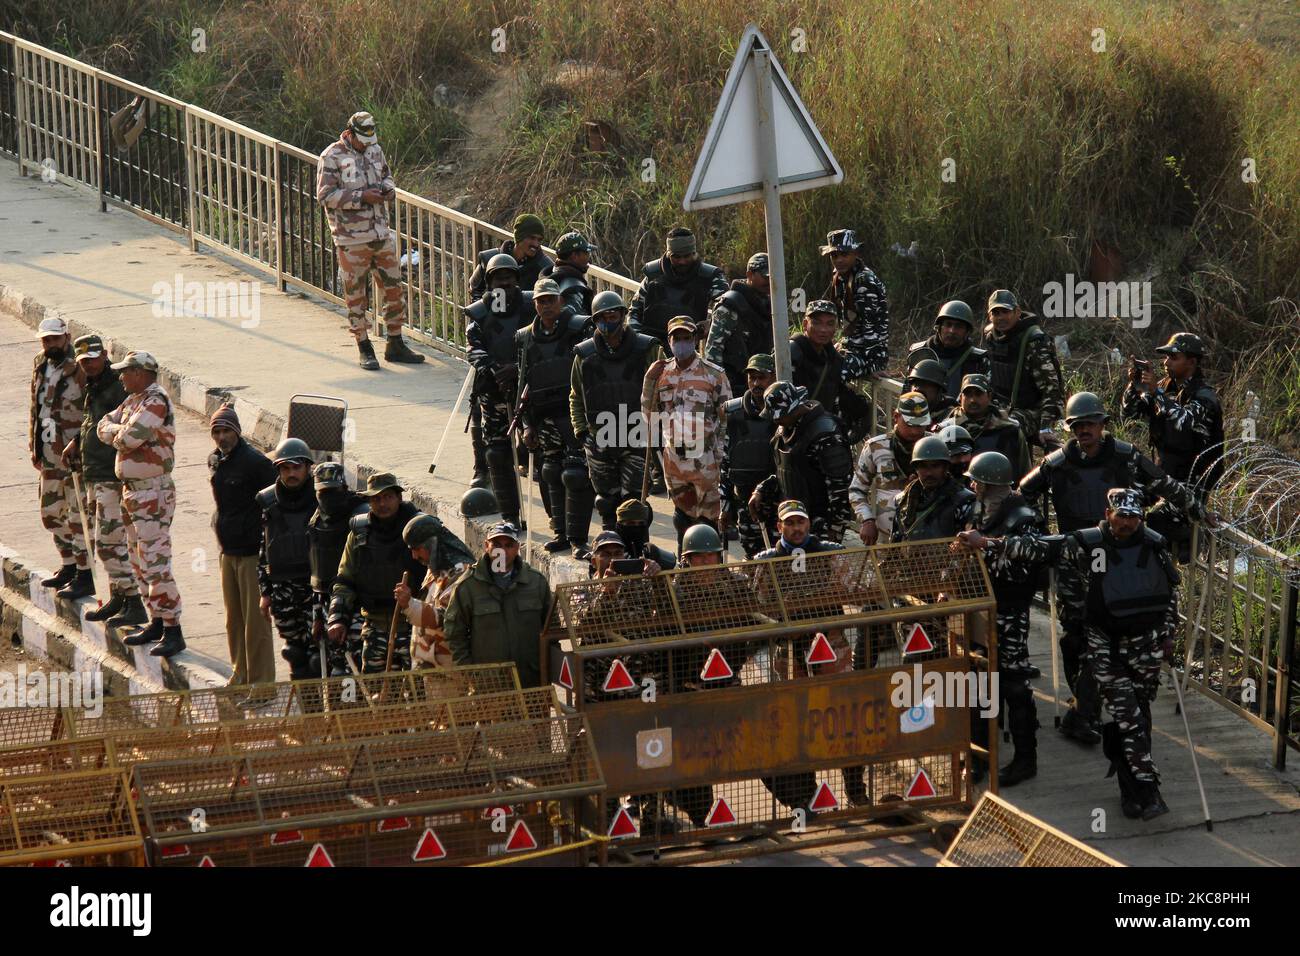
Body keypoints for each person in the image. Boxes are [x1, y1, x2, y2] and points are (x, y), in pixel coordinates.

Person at [1019, 390, 1204, 745]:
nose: (1084, 430)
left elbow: (1166, 485)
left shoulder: (1126, 457)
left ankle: (1084, 711)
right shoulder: (1056, 464)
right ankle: (1083, 706)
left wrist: (1199, 510)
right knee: (1076, 634)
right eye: (1077, 425)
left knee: (1106, 634)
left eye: (1090, 423)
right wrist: (1036, 533)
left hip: (1120, 556)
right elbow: (1021, 496)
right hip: (1077, 558)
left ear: (1103, 424)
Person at [1006, 489, 1178, 820]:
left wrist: (1169, 633)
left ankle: (1130, 790)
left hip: (1146, 646)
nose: (1126, 523)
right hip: (1106, 646)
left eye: (1132, 516)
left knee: (1137, 717)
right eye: (1121, 515)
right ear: (1108, 513)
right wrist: (989, 544)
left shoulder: (1154, 545)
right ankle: (1148, 790)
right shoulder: (1087, 543)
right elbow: (1040, 547)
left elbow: (1170, 593)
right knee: (1128, 718)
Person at [755, 501, 863, 806]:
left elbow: (855, 586)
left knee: (845, 716)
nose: (796, 528)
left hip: (831, 645)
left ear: (809, 524)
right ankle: (806, 797)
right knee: (795, 721)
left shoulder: (828, 552)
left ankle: (856, 790)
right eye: (789, 523)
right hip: (790, 650)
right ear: (779, 527)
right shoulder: (766, 561)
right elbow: (756, 603)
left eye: (801, 522)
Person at [952, 452, 1049, 785]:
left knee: (1012, 684)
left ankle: (1026, 759)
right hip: (978, 606)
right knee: (976, 682)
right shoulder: (977, 510)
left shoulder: (1023, 517)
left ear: (989, 483)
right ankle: (979, 757)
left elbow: (1030, 558)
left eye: (976, 481)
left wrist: (987, 545)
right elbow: (968, 545)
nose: (972, 486)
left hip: (1008, 610)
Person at [315, 110, 425, 369]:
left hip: (380, 233)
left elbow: (387, 174)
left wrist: (388, 189)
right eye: (362, 141)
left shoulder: (375, 150)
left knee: (394, 290)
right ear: (350, 134)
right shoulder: (331, 156)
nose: (366, 145)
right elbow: (325, 195)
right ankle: (364, 346)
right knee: (356, 296)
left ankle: (395, 342)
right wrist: (361, 198)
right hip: (351, 240)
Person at [95, 351, 186, 657]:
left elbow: (127, 439)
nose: (121, 377)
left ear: (141, 373)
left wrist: (117, 433)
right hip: (133, 492)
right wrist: (117, 431)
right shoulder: (135, 400)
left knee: (155, 562)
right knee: (138, 559)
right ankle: (156, 619)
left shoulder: (155, 401)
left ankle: (173, 628)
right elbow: (102, 425)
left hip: (152, 494)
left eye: (126, 372)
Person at [1120, 332, 1224, 561]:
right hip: (1162, 475)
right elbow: (1129, 413)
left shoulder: (1205, 397)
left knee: (1157, 519)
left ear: (1192, 362)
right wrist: (1134, 386)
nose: (1166, 363)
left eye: (1173, 357)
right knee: (1124, 502)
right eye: (1165, 357)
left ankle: (1182, 547)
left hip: (1192, 483)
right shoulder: (1165, 389)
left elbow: (1183, 423)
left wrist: (1156, 394)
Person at [63, 334, 144, 626]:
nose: (90, 365)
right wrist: (76, 442)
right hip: (92, 474)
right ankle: (119, 597)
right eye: (84, 361)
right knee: (102, 541)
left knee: (110, 542)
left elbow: (123, 427)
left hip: (111, 476)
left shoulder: (115, 386)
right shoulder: (93, 386)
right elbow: (92, 421)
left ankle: (133, 601)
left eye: (94, 359)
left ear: (104, 355)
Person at [570, 290, 659, 542]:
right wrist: (582, 432)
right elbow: (576, 395)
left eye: (613, 315)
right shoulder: (584, 355)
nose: (608, 321)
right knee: (607, 502)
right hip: (600, 437)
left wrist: (658, 432)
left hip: (637, 435)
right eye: (602, 317)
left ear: (622, 315)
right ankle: (610, 547)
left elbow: (662, 393)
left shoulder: (647, 349)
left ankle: (638, 547)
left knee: (635, 501)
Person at [516, 277, 593, 554]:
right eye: (541, 301)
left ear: (560, 301)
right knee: (550, 472)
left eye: (551, 299)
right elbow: (522, 383)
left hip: (573, 414)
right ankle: (560, 531)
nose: (546, 305)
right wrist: (526, 425)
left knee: (575, 474)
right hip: (544, 416)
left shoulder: (578, 329)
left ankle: (578, 539)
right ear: (534, 304)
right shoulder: (525, 338)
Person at [642, 316, 732, 550]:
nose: (681, 343)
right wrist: (649, 380)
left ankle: (709, 570)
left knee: (707, 521)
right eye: (676, 338)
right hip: (674, 459)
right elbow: (650, 415)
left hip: (705, 458)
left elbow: (727, 420)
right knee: (682, 517)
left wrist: (721, 456)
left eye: (686, 338)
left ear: (694, 339)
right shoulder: (662, 373)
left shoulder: (714, 374)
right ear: (669, 340)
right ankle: (684, 567)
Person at [327, 473, 428, 672]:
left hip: (414, 628)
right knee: (378, 695)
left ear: (399, 498)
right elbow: (344, 580)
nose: (382, 504)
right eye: (376, 499)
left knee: (418, 694)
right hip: (375, 628)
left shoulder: (420, 529)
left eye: (388, 497)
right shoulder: (359, 534)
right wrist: (337, 618)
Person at [207, 404, 277, 683]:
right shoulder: (215, 460)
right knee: (233, 621)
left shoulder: (255, 463)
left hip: (251, 553)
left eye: (226, 431)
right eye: (217, 432)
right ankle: (240, 674)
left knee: (255, 624)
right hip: (227, 551)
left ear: (237, 432)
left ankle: (262, 685)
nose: (222, 437)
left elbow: (273, 505)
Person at [465, 253, 536, 525]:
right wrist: (496, 370)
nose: (504, 284)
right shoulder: (479, 313)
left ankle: (561, 528)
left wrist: (517, 370)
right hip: (493, 390)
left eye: (508, 278)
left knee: (544, 456)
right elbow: (474, 349)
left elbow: (541, 341)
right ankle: (509, 516)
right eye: (498, 278)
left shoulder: (531, 306)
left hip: (529, 390)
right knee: (496, 452)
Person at [443, 521, 552, 687]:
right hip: (489, 686)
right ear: (486, 546)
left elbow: (551, 629)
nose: (502, 551)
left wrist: (547, 670)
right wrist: (470, 674)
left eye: (508, 545)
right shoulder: (468, 586)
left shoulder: (536, 582)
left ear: (517, 548)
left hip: (531, 682)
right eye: (496, 544)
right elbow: (454, 634)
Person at [29, 316, 90, 600]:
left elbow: (93, 410)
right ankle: (67, 565)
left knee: (77, 516)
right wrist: (35, 447)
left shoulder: (80, 368)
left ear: (66, 337)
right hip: (48, 449)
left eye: (55, 339)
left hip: (73, 453)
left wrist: (79, 442)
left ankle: (84, 573)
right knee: (50, 513)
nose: (50, 344)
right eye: (46, 340)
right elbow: (36, 407)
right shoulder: (41, 363)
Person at [749, 382, 854, 544]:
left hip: (820, 521)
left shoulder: (825, 434)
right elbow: (787, 471)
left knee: (817, 568)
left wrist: (836, 527)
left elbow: (840, 485)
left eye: (779, 417)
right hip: (791, 515)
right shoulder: (786, 428)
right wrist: (760, 490)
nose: (777, 421)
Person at [255, 438, 318, 681]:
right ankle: (308, 715)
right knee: (294, 654)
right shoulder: (269, 502)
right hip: (283, 590)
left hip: (313, 590)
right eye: (285, 468)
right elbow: (264, 549)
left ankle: (327, 715)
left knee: (318, 656)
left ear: (307, 468)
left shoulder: (321, 499)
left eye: (296, 467)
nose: (291, 473)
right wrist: (265, 592)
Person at [307, 462, 368, 675]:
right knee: (334, 670)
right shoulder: (316, 521)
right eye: (323, 492)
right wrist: (317, 618)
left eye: (332, 491)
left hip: (358, 605)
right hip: (327, 608)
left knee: (360, 668)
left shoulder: (361, 519)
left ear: (343, 488)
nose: (328, 498)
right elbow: (318, 579)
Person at [983, 289, 1064, 449]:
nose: (1000, 317)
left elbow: (1052, 388)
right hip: (1001, 407)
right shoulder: (990, 336)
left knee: (1005, 429)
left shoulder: (1034, 340)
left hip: (1033, 410)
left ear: (1017, 312)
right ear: (990, 316)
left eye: (1005, 312)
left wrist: (1046, 425)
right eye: (996, 313)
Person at [395, 514, 475, 670]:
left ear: (432, 545)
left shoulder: (461, 573)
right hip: (430, 663)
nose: (414, 556)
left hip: (449, 669)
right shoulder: (434, 568)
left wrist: (409, 605)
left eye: (417, 549)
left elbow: (447, 617)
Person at [850, 392, 930, 544]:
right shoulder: (875, 447)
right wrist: (867, 520)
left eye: (920, 425)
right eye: (910, 424)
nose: (915, 431)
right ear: (896, 417)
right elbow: (856, 490)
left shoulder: (937, 446)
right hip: (885, 539)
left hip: (925, 539)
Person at [628, 226, 727, 346]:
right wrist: (638, 341)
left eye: (687, 256)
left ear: (694, 253)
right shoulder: (653, 275)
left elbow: (727, 309)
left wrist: (710, 323)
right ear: (668, 254)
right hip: (651, 344)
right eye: (677, 257)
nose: (682, 261)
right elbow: (634, 310)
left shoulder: (710, 277)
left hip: (686, 346)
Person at [720, 354, 777, 557]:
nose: (756, 383)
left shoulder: (785, 412)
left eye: (761, 377)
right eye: (752, 378)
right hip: (745, 501)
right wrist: (725, 505)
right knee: (753, 557)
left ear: (774, 377)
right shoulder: (733, 413)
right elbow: (725, 463)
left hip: (777, 501)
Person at [820, 228, 889, 383]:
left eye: (844, 254)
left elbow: (870, 326)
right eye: (834, 255)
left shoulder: (863, 280)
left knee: (829, 375)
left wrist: (874, 364)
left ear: (855, 253)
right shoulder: (840, 276)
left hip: (868, 354)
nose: (838, 260)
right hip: (851, 347)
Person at [704, 252, 774, 398]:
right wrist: (719, 388)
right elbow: (713, 351)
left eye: (772, 277)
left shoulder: (767, 302)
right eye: (765, 277)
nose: (770, 281)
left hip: (760, 384)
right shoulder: (731, 305)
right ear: (750, 274)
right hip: (733, 385)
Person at [935, 373, 1030, 478]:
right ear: (961, 397)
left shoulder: (1010, 430)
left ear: (989, 396)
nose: (972, 400)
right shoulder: (947, 430)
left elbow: (1025, 471)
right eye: (968, 394)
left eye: (978, 394)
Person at [889, 436, 976, 542]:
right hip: (910, 558)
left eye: (935, 466)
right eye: (923, 466)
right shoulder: (902, 500)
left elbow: (971, 545)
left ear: (945, 467)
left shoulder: (965, 500)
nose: (929, 473)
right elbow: (895, 544)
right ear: (916, 469)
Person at [906, 300, 990, 402]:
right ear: (939, 327)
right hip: (919, 412)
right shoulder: (919, 352)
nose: (952, 331)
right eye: (948, 324)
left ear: (967, 331)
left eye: (958, 326)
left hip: (958, 415)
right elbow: (907, 391)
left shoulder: (978, 360)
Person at [469, 213, 553, 301]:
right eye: (532, 238)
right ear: (519, 237)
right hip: (494, 311)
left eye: (539, 240)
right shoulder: (490, 259)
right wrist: (483, 308)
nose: (536, 244)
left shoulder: (545, 268)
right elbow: (474, 288)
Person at [612, 499, 675, 571]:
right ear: (619, 525)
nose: (636, 527)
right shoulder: (611, 552)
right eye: (630, 523)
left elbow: (675, 573)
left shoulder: (651, 552)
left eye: (641, 524)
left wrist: (658, 570)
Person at [543, 231, 597, 315]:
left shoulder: (550, 275)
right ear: (574, 256)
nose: (588, 257)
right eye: (586, 252)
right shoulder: (574, 290)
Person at [904, 358, 956, 422]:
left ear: (939, 391)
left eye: (925, 385)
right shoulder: (907, 408)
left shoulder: (951, 413)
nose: (917, 389)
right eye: (915, 384)